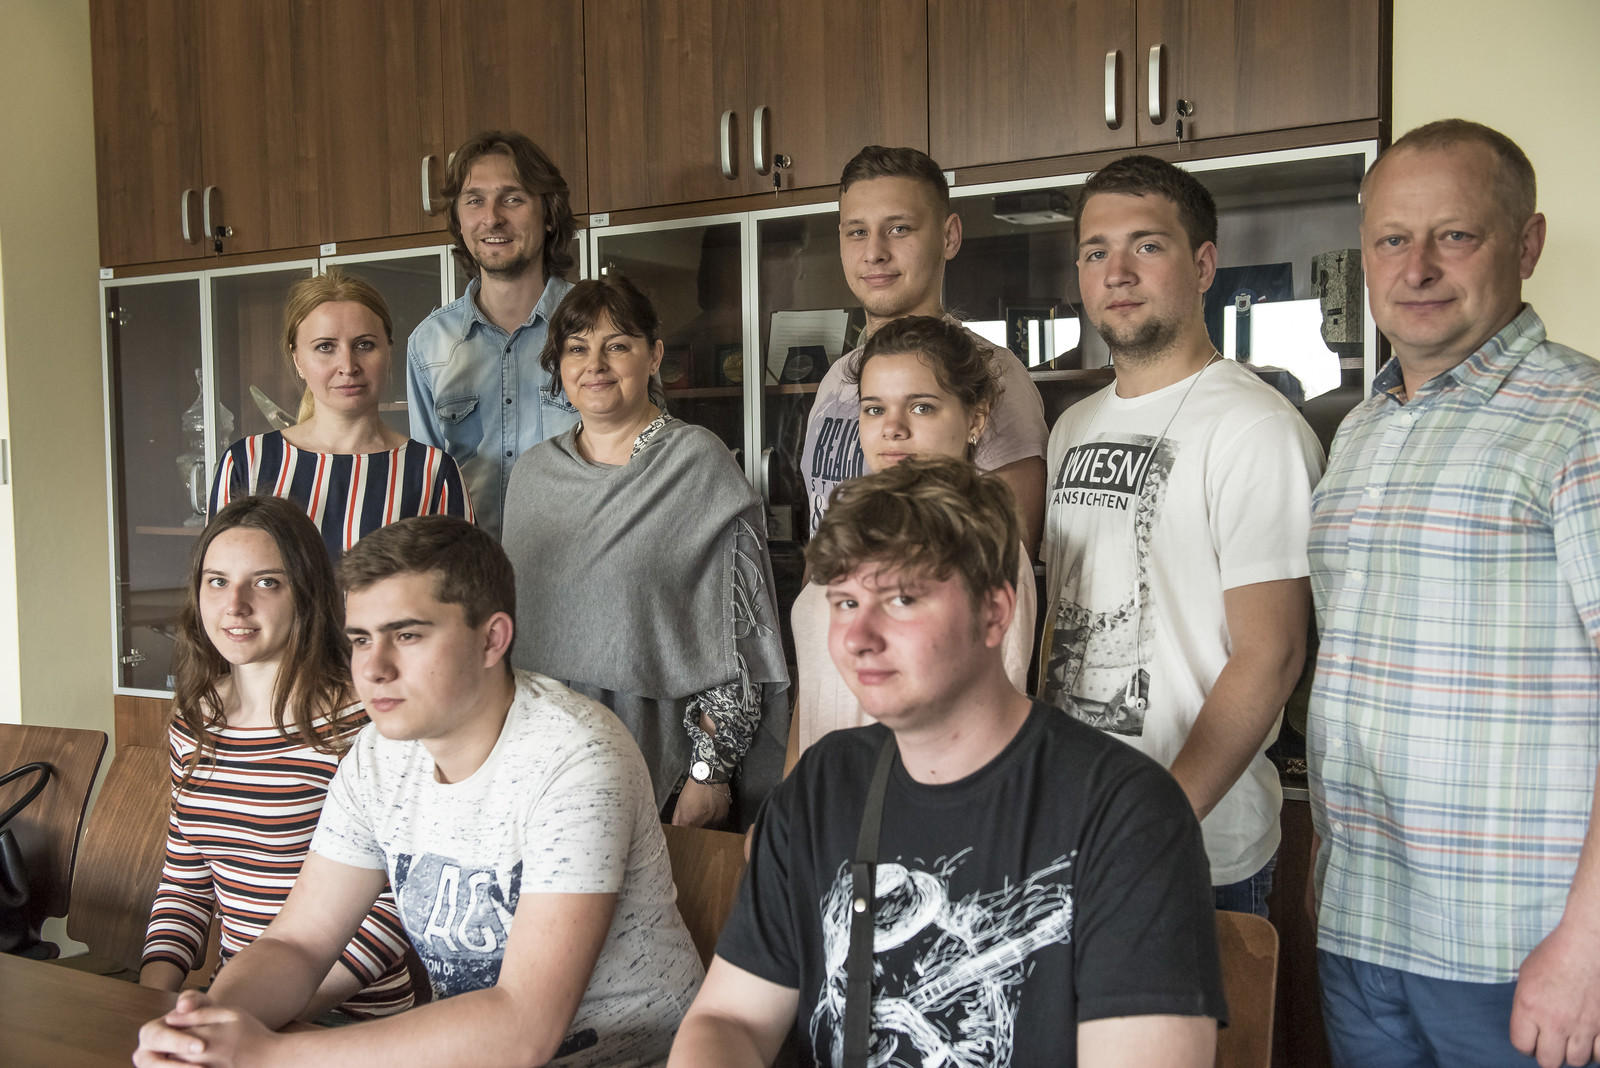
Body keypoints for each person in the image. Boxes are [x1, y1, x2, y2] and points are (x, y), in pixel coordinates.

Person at [670, 457, 1225, 1068]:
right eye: (846, 602)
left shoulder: (1130, 816)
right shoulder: (821, 788)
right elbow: (730, 1019)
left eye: (902, 599)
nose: (858, 637)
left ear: (995, 613)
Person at [134, 515, 703, 1068]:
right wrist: (204, 1030)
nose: (374, 668)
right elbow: (299, 944)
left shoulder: (576, 756)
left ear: (492, 640)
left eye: (407, 635)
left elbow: (523, 1027)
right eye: (361, 639)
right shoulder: (379, 756)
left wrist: (269, 1054)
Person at [1308, 119, 1600, 1068]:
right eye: (1393, 239)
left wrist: (1588, 946)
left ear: (1527, 244)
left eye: (1455, 236)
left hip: (1517, 947)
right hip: (1364, 927)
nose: (1418, 267)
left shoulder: (1581, 420)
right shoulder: (1362, 431)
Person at [1039, 154, 1323, 917]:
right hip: (1073, 826)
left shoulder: (1255, 427)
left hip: (1194, 844)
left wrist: (1157, 820)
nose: (1117, 272)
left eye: (1147, 245)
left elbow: (1273, 654)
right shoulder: (1072, 427)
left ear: (1202, 265)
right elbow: (1060, 622)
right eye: (1096, 251)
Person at [501, 276, 789, 830]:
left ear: (653, 355)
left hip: (664, 764)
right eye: (577, 348)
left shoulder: (696, 464)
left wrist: (710, 772)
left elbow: (741, 635)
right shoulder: (532, 476)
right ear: (558, 364)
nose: (595, 365)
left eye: (617, 345)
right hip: (541, 767)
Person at [138, 496, 413, 1019]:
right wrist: (150, 1002)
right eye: (217, 581)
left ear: (305, 593)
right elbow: (185, 881)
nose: (235, 605)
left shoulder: (366, 722)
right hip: (236, 1003)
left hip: (344, 1015)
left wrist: (268, 1016)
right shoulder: (193, 720)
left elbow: (398, 899)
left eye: (265, 582)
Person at [788, 315, 1035, 764]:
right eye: (874, 408)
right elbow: (814, 693)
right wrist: (791, 796)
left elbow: (983, 738)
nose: (893, 428)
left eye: (921, 407)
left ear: (976, 417)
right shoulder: (849, 528)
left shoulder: (982, 549)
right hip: (821, 791)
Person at [800, 145, 1049, 557]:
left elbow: (1006, 560)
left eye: (899, 228)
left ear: (949, 236)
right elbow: (822, 532)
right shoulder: (836, 377)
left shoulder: (992, 372)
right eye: (857, 232)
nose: (874, 252)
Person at [210, 269, 471, 560]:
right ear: (298, 360)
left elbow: (460, 584)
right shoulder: (247, 462)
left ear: (388, 353)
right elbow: (218, 578)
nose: (348, 366)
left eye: (364, 345)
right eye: (325, 347)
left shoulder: (433, 471)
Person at [406, 130, 580, 538]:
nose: (492, 218)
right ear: (459, 220)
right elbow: (427, 487)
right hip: (470, 568)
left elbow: (646, 459)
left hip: (581, 565)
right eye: (474, 200)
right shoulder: (429, 344)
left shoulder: (599, 327)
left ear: (549, 215)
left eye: (512, 199)